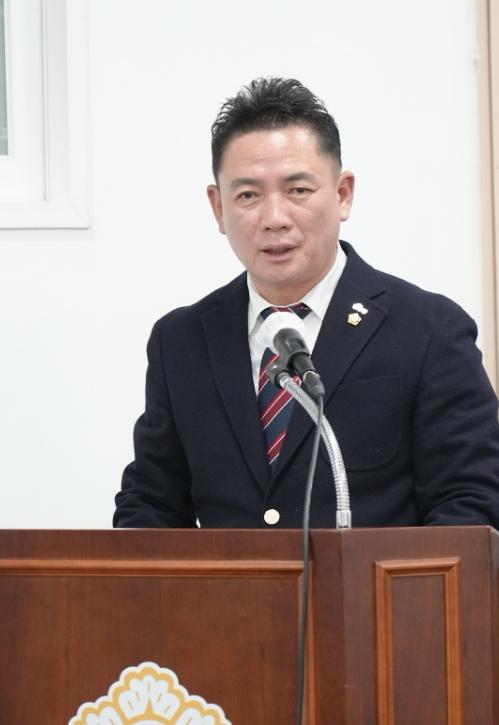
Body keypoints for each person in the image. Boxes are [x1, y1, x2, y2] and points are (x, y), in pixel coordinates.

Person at [113, 77, 499, 529]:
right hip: (230, 581)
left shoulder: (428, 329)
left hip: (371, 579)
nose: (274, 219)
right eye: (248, 195)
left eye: (298, 190)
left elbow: (472, 502)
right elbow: (151, 505)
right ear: (218, 208)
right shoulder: (181, 341)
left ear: (342, 194)